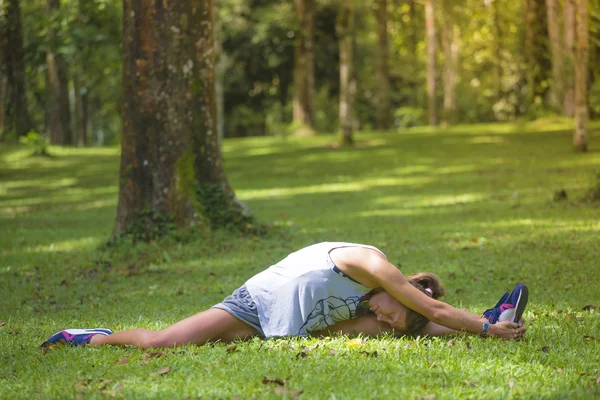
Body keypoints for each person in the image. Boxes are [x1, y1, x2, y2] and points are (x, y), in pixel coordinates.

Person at [41, 242, 527, 348]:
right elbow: (433, 309)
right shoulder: (371, 265)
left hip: (289, 328)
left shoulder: (376, 307)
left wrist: (486, 326)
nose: (390, 320)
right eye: (399, 313)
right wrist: (481, 326)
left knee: (414, 329)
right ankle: (89, 337)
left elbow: (427, 320)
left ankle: (493, 318)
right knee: (161, 344)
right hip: (254, 306)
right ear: (406, 291)